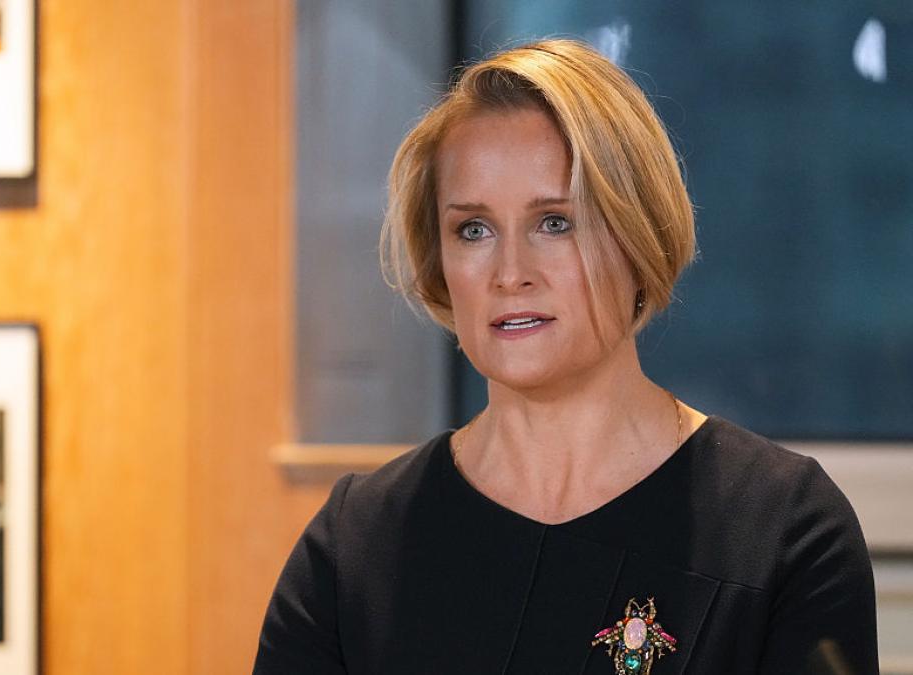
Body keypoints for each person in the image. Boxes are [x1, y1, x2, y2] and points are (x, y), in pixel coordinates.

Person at [254, 39, 878, 674]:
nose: (510, 273)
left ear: (638, 234)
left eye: (555, 222)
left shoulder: (784, 530)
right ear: (439, 262)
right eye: (474, 230)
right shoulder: (353, 545)